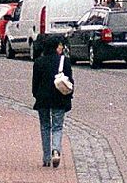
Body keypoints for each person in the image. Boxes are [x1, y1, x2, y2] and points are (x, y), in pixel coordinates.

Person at [31, 39, 75, 168]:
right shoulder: (64, 61)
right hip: (59, 98)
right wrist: (69, 96)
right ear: (56, 47)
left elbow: (35, 83)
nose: (61, 47)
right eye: (60, 45)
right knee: (57, 126)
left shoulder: (39, 62)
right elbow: (70, 81)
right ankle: (56, 150)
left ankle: (46, 157)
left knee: (45, 126)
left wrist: (36, 95)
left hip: (43, 99)